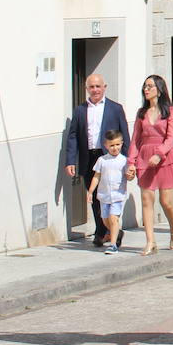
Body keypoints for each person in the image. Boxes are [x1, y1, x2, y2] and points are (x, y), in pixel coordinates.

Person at [64, 73, 130, 247]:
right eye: (91, 87)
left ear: (104, 87)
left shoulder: (115, 108)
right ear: (87, 89)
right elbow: (73, 137)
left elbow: (125, 135)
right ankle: (102, 230)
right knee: (94, 196)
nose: (95, 90)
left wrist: (129, 161)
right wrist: (70, 160)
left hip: (109, 158)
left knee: (111, 194)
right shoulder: (80, 110)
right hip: (89, 157)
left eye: (98, 86)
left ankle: (110, 229)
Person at [126, 75, 173, 255]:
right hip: (145, 154)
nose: (146, 89)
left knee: (166, 201)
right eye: (145, 86)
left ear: (159, 90)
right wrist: (131, 162)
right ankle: (150, 241)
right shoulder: (141, 113)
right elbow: (136, 139)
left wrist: (159, 154)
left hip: (165, 157)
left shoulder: (172, 112)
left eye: (150, 86)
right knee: (146, 199)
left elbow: (171, 136)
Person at [85, 129, 128, 254]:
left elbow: (129, 175)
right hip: (104, 195)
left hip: (117, 195)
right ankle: (117, 233)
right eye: (112, 145)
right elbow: (96, 176)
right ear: (106, 146)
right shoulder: (102, 160)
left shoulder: (124, 160)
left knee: (113, 218)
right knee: (105, 220)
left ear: (121, 143)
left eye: (117, 145)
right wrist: (90, 191)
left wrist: (131, 174)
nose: (115, 148)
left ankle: (113, 245)